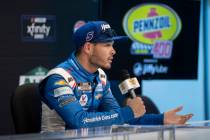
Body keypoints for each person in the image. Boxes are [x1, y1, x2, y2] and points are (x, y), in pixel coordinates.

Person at [39, 21, 193, 129]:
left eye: (112, 45)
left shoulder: (100, 77)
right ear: (88, 47)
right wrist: (128, 112)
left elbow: (119, 119)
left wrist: (162, 119)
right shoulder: (58, 78)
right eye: (107, 45)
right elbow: (80, 121)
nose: (113, 51)